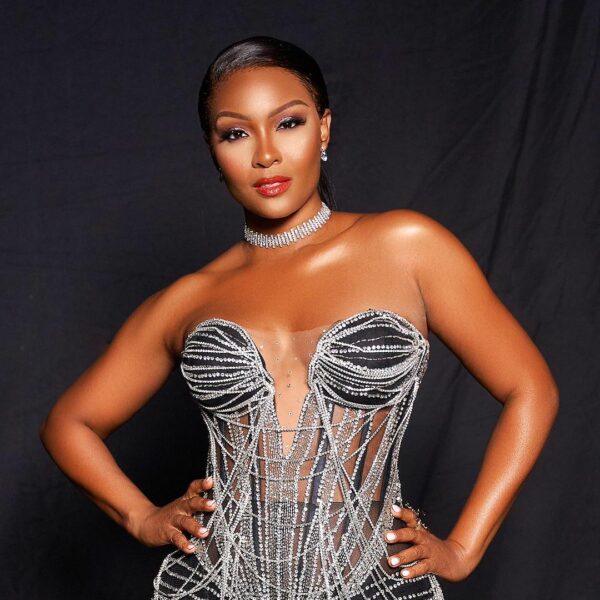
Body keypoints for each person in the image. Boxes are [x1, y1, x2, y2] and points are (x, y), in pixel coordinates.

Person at [39, 35, 559, 600]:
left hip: (369, 585)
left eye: (288, 123)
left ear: (324, 128)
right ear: (214, 151)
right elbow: (69, 424)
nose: (265, 154)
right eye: (235, 133)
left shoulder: (407, 246)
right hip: (219, 586)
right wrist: (140, 516)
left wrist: (464, 547)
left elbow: (530, 388)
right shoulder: (187, 299)